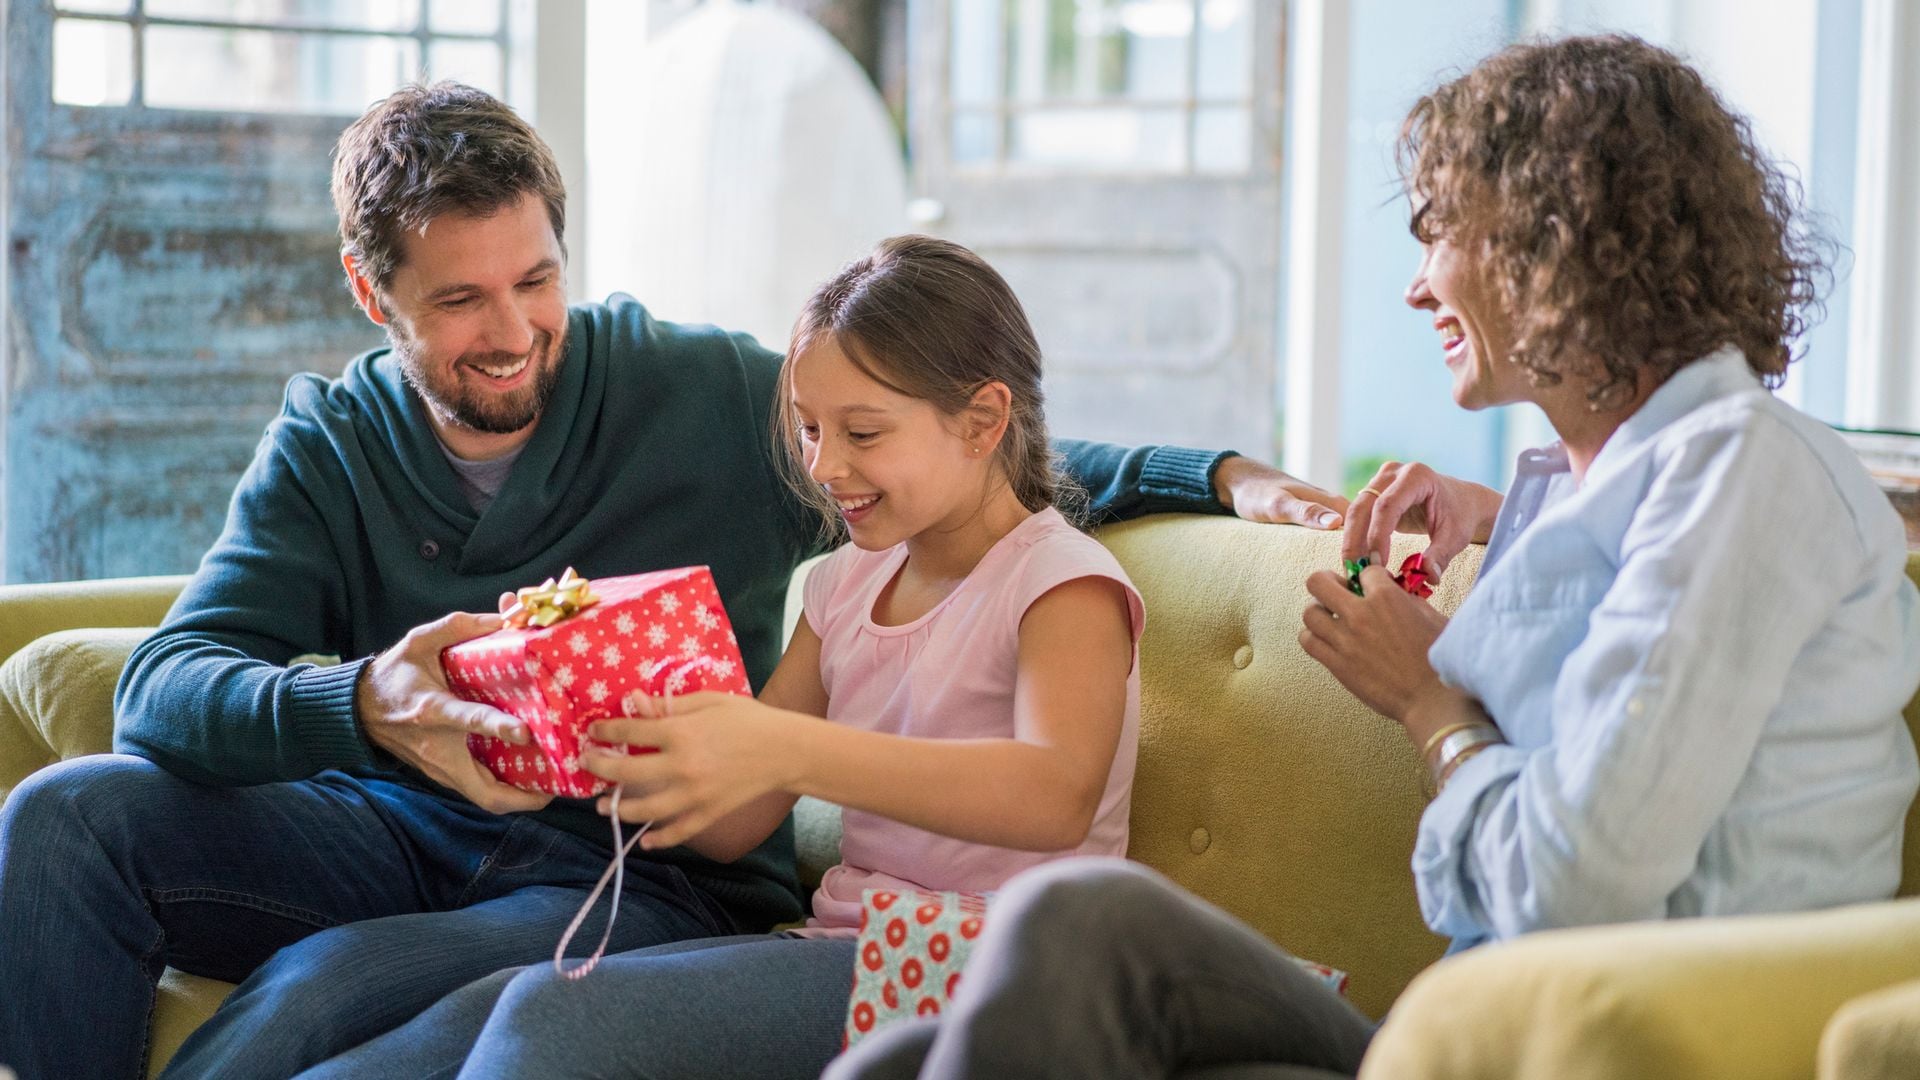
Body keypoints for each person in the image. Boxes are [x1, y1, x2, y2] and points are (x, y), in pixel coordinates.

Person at [0, 82, 1343, 1080]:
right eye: (460, 301)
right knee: (61, 822)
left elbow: (954, 446)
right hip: (396, 827)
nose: (515, 329)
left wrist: (1223, 475)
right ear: (372, 293)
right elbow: (167, 690)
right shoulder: (332, 443)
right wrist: (363, 702)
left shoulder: (700, 395)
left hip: (618, 881)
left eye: (537, 279)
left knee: (321, 995)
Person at [825, 33, 1920, 1080]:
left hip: (1603, 1043)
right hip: (1482, 1021)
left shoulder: (1734, 478)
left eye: (1438, 232)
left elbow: (1575, 885)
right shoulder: (1620, 481)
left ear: (1553, 235)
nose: (1416, 285)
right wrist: (1489, 542)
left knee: (1073, 922)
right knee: (903, 1057)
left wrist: (1429, 697)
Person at [293, 233, 1145, 1078]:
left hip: (997, 969)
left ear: (984, 421)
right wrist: (593, 719)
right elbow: (738, 825)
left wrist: (790, 747)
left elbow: (1054, 796)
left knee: (557, 1019)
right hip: (850, 951)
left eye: (862, 432)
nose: (822, 465)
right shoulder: (848, 583)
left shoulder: (1058, 581)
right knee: (506, 1004)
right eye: (809, 429)